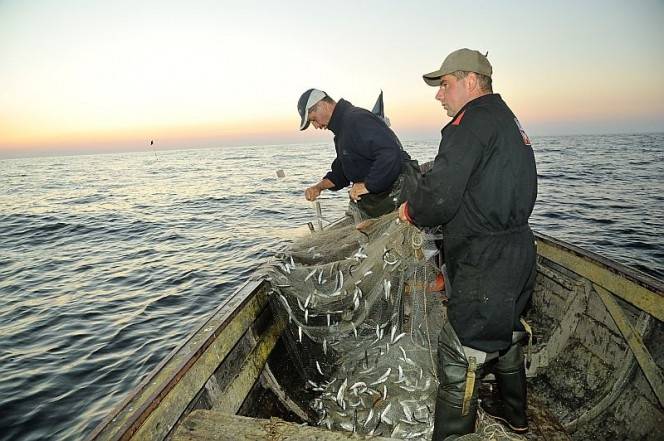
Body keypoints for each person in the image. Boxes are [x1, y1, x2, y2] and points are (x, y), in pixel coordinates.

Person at [398, 48, 537, 440]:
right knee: (507, 332)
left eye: (445, 84)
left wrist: (411, 209)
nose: (439, 95)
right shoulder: (507, 120)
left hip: (485, 261)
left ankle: (453, 435)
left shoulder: (470, 122)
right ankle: (516, 417)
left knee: (458, 354)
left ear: (471, 82)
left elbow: (438, 198)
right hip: (519, 252)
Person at [298, 88, 414, 218]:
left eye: (313, 119)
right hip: (379, 199)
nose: (316, 126)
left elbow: (390, 154)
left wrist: (368, 185)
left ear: (323, 105)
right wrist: (318, 188)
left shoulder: (357, 119)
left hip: (399, 196)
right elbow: (340, 174)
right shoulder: (342, 132)